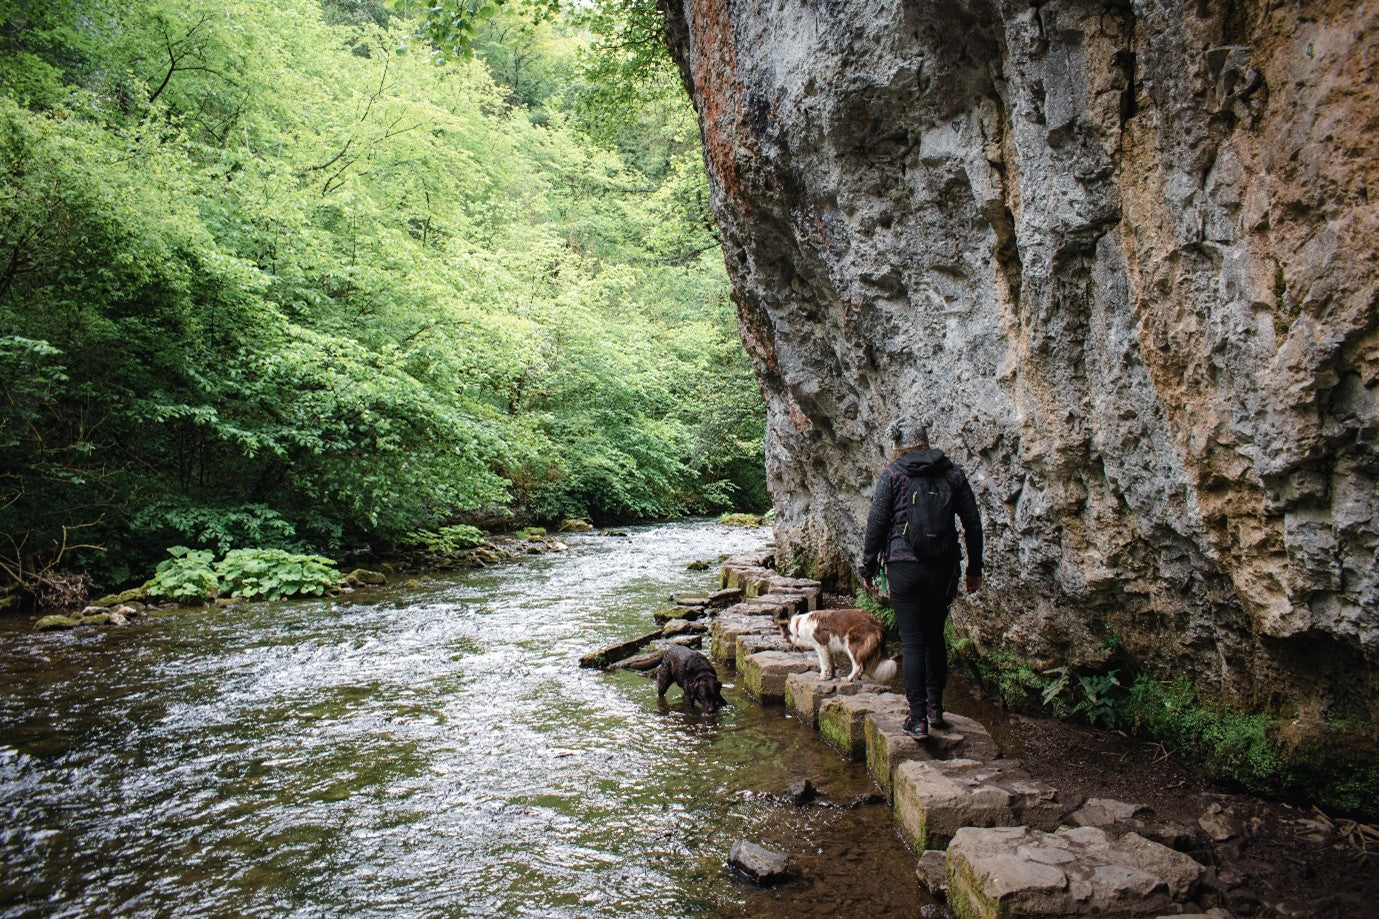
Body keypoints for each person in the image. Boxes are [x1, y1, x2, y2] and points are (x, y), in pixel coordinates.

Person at [860, 420, 983, 739]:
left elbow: (876, 524)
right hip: (943, 568)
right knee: (934, 636)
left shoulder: (893, 474)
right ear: (926, 442)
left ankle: (917, 719)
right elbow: (972, 522)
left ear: (898, 445)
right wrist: (974, 569)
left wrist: (868, 568)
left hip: (904, 567)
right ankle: (935, 709)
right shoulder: (952, 473)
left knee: (912, 641)